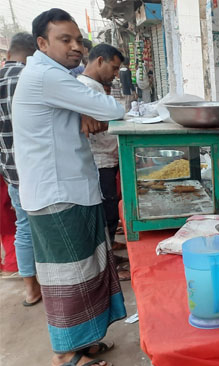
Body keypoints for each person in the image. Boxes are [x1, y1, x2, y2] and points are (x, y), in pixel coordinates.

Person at [12, 8, 127, 366]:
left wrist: (82, 113)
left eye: (78, 40)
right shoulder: (47, 76)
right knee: (67, 276)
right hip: (57, 194)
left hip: (72, 189)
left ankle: (84, 341)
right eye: (66, 40)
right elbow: (112, 108)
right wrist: (88, 110)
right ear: (42, 44)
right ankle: (64, 356)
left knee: (86, 268)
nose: (76, 47)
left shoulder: (55, 77)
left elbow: (96, 114)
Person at [77, 43, 130, 279]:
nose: (116, 74)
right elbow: (109, 117)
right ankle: (109, 265)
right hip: (99, 161)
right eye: (114, 68)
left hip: (108, 157)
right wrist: (113, 118)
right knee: (106, 210)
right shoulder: (86, 87)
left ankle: (110, 248)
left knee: (110, 207)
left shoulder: (97, 87)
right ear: (100, 60)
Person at [0, 32, 42, 305]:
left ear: (8, 55)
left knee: (23, 227)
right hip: (38, 169)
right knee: (48, 227)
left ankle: (30, 289)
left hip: (10, 171)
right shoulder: (29, 78)